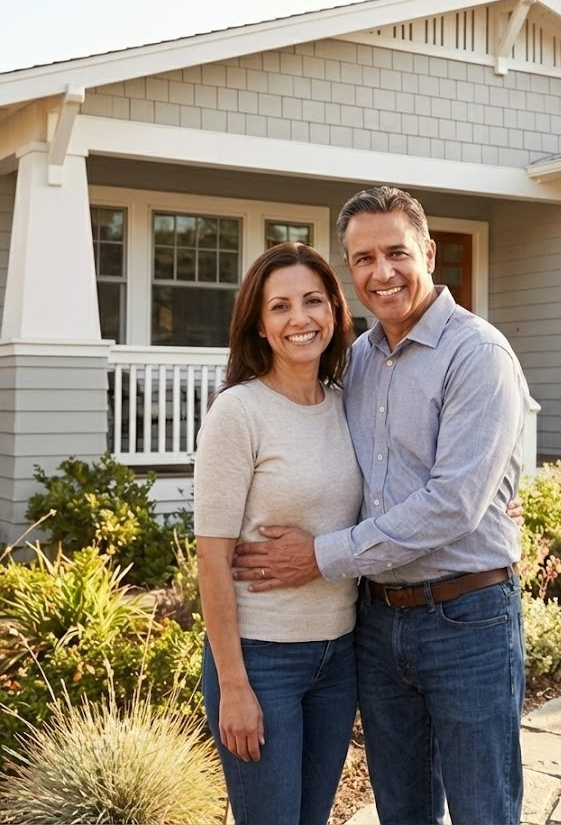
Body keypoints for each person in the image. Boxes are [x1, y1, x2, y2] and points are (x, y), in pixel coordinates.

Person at [233, 185, 531, 824]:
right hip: (376, 621)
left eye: (395, 252)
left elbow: (453, 502)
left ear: (427, 251)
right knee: (402, 810)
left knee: (485, 811)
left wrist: (319, 555)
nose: (381, 272)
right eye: (362, 259)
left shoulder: (476, 354)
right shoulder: (357, 362)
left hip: (467, 617)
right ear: (350, 270)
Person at [193, 242, 362, 825]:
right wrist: (234, 687)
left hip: (339, 657)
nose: (300, 319)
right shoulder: (238, 413)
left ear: (336, 314)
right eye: (281, 306)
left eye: (313, 301)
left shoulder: (348, 404)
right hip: (262, 662)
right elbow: (211, 561)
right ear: (260, 326)